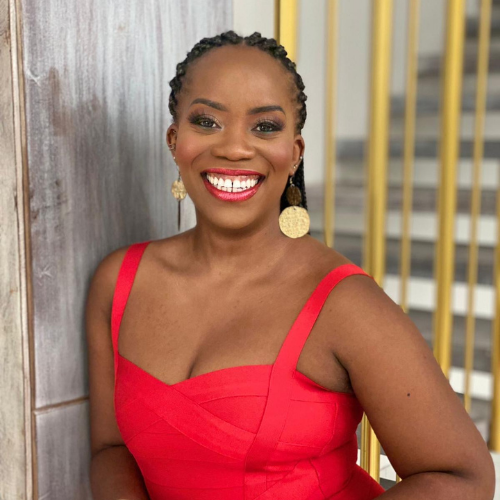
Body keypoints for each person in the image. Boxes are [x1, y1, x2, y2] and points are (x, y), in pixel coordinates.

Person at [86, 30, 495, 500]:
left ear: (295, 153)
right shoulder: (118, 282)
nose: (235, 148)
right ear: (175, 141)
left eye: (264, 127)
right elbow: (110, 449)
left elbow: (463, 478)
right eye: (207, 121)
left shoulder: (344, 304)